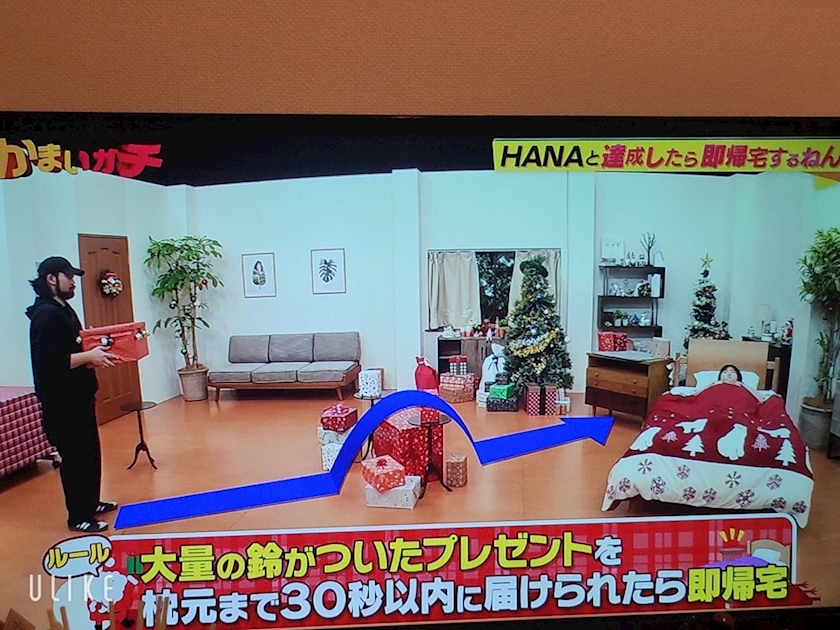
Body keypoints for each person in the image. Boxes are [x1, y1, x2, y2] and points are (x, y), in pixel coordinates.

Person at [26, 256, 120, 532]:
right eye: (68, 277)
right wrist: (89, 356)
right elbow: (51, 361)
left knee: (89, 453)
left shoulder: (64, 309)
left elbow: (75, 347)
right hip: (61, 401)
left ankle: (90, 503)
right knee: (75, 458)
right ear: (51, 279)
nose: (73, 282)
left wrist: (94, 352)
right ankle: (78, 515)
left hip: (79, 396)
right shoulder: (46, 314)